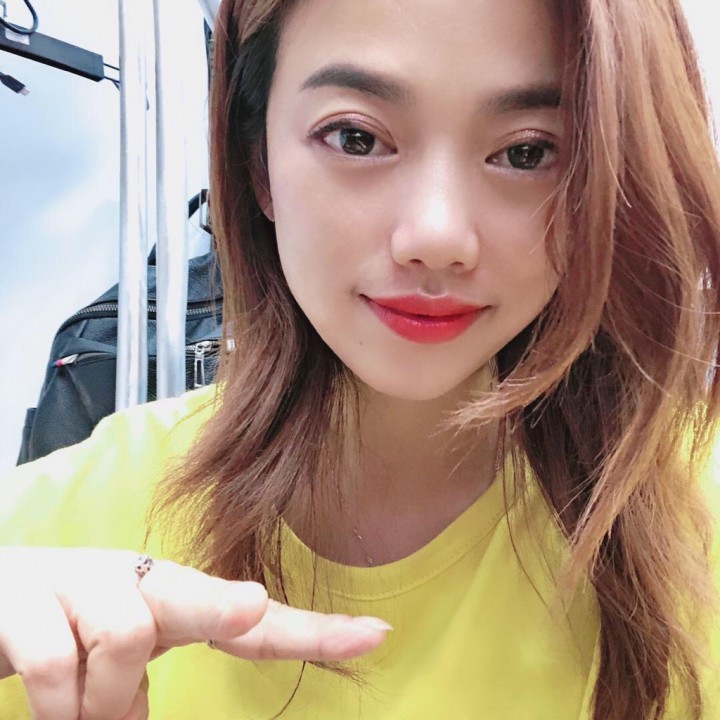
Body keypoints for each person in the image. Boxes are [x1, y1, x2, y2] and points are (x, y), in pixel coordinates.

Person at [1, 0, 719, 718]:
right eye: (356, 137)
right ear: (258, 163)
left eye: (529, 153)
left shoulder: (696, 505)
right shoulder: (66, 528)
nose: (437, 236)